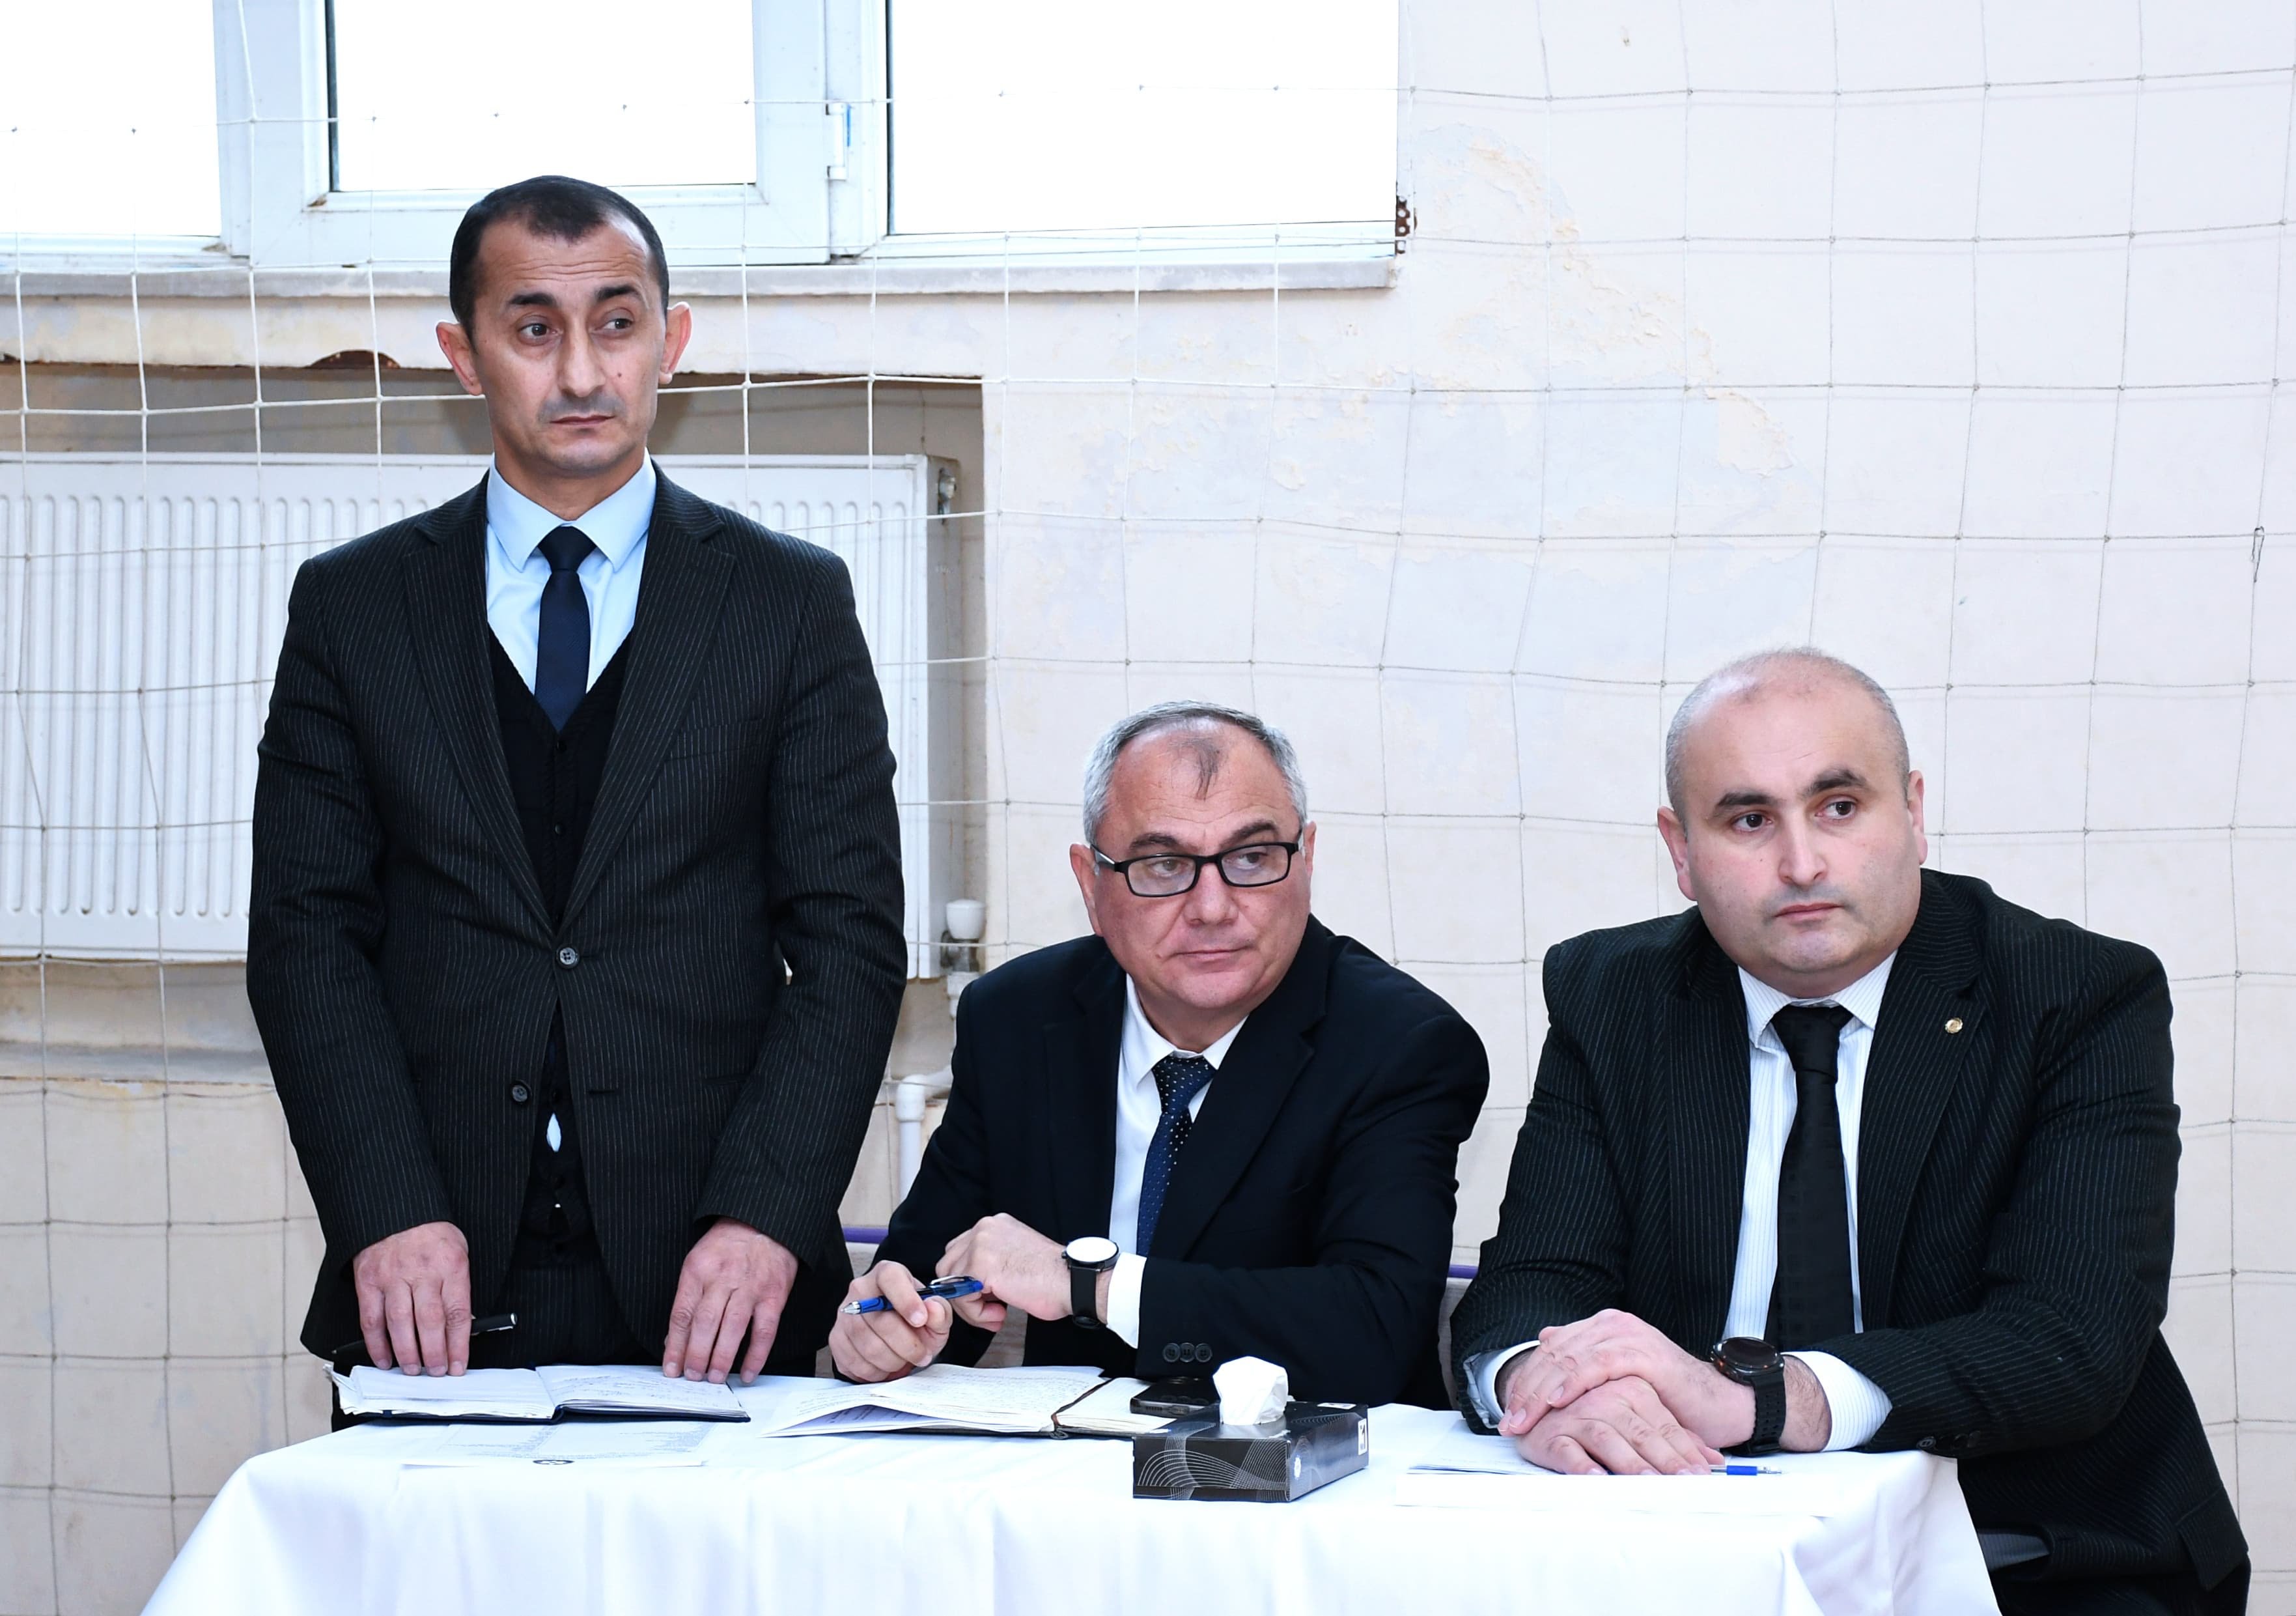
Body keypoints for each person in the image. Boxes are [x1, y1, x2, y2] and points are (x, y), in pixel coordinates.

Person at [248, 175, 906, 1389]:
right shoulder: (352, 608)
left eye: (616, 323)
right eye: (534, 329)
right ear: (463, 355)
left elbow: (850, 941)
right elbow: (305, 937)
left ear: (672, 340)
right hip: (431, 1279)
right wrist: (386, 1206)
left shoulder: (788, 603)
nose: (583, 373)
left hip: (719, 1285)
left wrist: (764, 1213)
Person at [1449, 648, 2247, 1615]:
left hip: (2031, 1550)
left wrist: (1760, 1398)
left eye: (1837, 806)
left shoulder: (2075, 996)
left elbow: (2069, 1340)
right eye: (1748, 820)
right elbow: (1531, 1284)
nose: (1801, 865)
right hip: (1697, 1541)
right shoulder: (1612, 996)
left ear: (1912, 811)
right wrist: (1545, 1385)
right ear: (1680, 850)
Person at [833, 702, 1487, 1406]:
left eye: (1251, 858)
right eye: (1164, 864)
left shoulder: (1401, 1045)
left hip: (1304, 1461)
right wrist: (887, 1331)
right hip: (1066, 1459)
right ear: (1090, 884)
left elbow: (1374, 1331)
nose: (1212, 907)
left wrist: (1090, 1285)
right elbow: (928, 1281)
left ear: (1306, 859)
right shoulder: (1017, 1019)